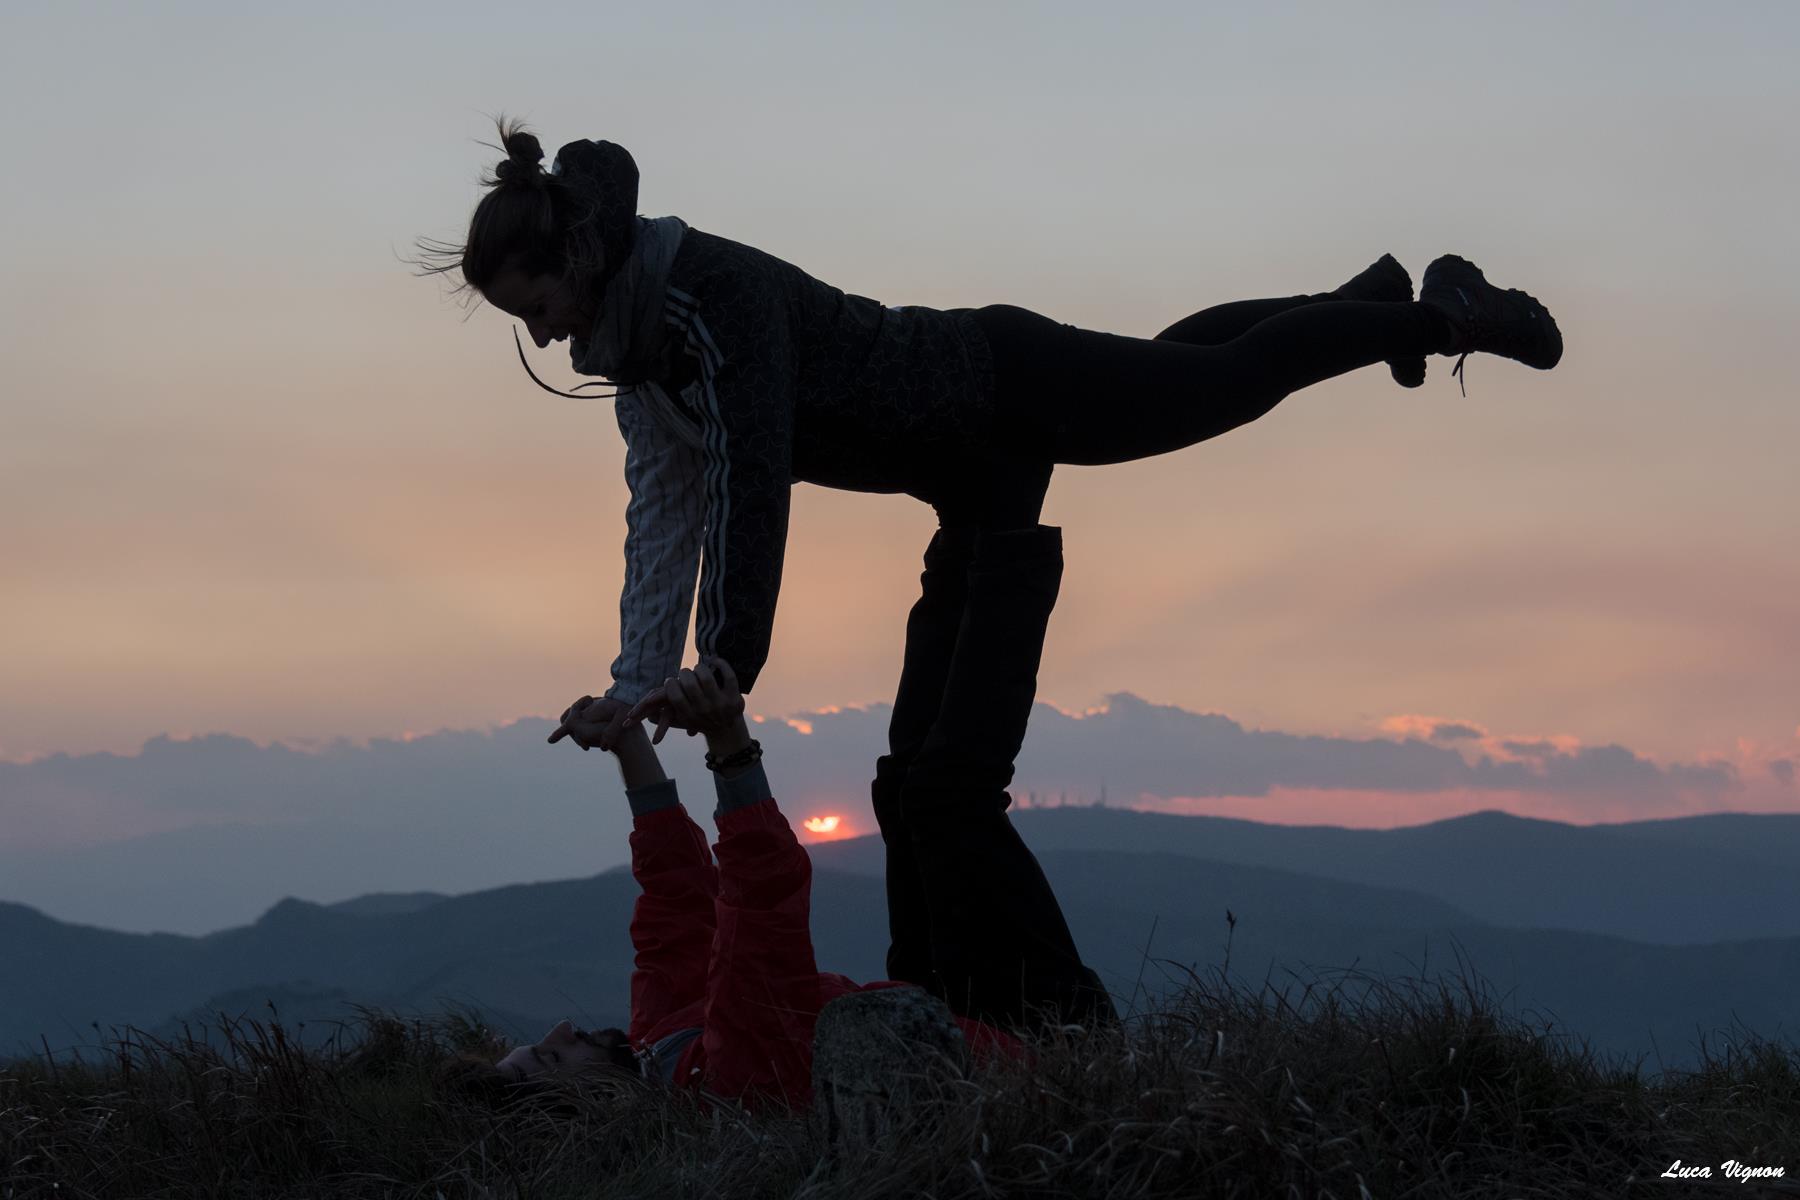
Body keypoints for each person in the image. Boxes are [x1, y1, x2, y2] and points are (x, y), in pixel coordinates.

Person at [493, 648, 1025, 1110]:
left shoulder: (657, 1043)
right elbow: (761, 906)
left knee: (910, 794)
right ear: (587, 1109)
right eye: (550, 1056)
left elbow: (676, 900)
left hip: (943, 1011)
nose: (561, 1028)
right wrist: (729, 742)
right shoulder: (729, 1083)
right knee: (943, 797)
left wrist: (627, 741)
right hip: (1021, 1047)